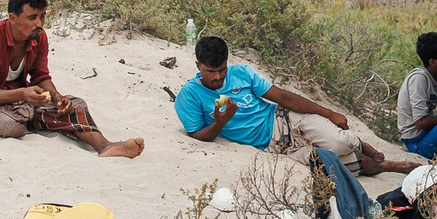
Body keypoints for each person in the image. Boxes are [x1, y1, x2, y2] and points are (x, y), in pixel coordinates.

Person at [174, 35, 417, 175]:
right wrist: (220, 123)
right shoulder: (190, 95)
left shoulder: (241, 73)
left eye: (221, 70)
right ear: (198, 66)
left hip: (285, 119)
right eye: (210, 71)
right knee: (347, 167)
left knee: (340, 143)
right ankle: (390, 166)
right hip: (276, 147)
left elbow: (284, 97)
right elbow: (198, 135)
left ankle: (359, 141)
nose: (217, 77)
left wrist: (328, 112)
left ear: (228, 64)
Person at [0, 0, 143, 157]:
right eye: (32, 18)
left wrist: (57, 97)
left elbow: (40, 76)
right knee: (10, 126)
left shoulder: (38, 37)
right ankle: (30, 117)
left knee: (76, 105)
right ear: (12, 18)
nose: (40, 24)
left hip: (17, 97)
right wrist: (23, 94)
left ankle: (105, 146)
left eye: (42, 16)